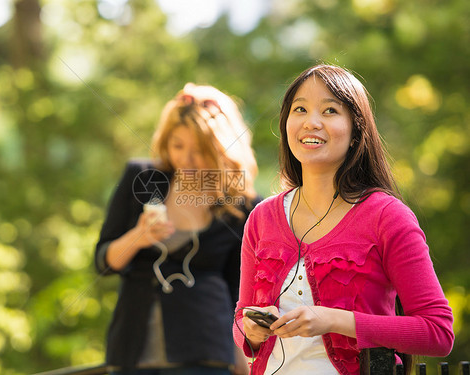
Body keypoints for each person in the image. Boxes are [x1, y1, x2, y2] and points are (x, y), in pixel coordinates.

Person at [233, 64, 454, 374]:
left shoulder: (386, 216)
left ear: (355, 131)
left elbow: (437, 333)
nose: (311, 122)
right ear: (285, 124)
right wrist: (252, 330)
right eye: (300, 109)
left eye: (329, 111)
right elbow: (242, 320)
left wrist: (334, 319)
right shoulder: (262, 218)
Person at [95, 83, 261, 375]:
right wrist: (138, 237)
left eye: (200, 150)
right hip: (131, 352)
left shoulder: (241, 206)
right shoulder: (143, 179)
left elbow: (239, 293)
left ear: (221, 148)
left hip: (205, 353)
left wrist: (243, 364)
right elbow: (104, 264)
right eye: (178, 146)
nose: (187, 159)